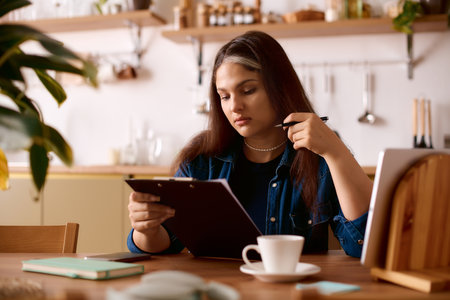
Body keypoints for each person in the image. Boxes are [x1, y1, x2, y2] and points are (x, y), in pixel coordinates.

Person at [127, 31, 373, 258]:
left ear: (280, 88)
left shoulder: (318, 159)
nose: (234, 106)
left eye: (248, 90)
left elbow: (362, 243)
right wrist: (145, 229)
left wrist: (336, 152)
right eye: (225, 96)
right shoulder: (202, 162)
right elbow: (165, 244)